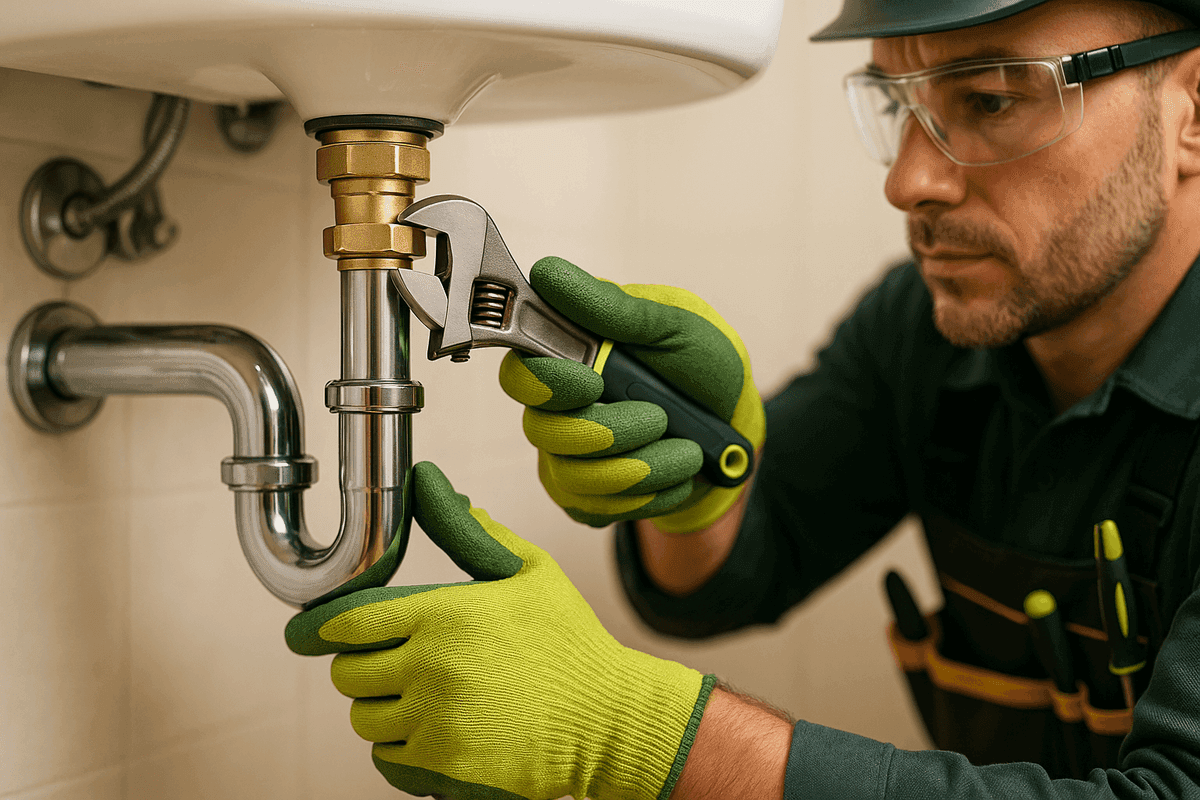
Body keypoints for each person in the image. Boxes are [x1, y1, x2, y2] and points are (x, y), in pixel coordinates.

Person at [285, 0, 1200, 797]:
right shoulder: (923, 331)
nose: (907, 181)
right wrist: (699, 489)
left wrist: (631, 735)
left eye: (991, 100)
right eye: (896, 104)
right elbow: (721, 583)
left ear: (1191, 108)